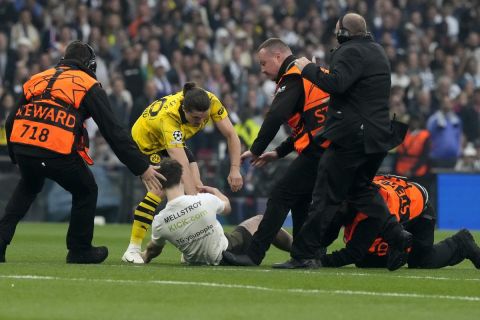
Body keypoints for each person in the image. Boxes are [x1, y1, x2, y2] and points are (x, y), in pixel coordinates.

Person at [0, 40, 163, 264]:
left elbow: (11, 120)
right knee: (86, 189)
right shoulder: (87, 84)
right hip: (55, 149)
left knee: (27, 187)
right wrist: (142, 167)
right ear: (90, 64)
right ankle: (79, 249)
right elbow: (113, 131)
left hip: (24, 146)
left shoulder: (38, 77)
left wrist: (15, 154)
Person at [275, 13, 409, 270]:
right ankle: (396, 234)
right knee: (360, 189)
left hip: (352, 137)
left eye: (338, 30)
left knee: (324, 195)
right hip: (378, 137)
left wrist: (308, 69)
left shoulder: (348, 51)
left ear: (344, 33)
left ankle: (303, 254)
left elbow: (337, 84)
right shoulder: (378, 51)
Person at [221, 38, 330, 267]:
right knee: (301, 200)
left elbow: (275, 116)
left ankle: (254, 254)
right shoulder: (311, 73)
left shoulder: (292, 73)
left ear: (278, 57)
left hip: (319, 149)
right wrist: (278, 152)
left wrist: (256, 149)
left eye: (263, 63)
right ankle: (306, 255)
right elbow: (306, 126)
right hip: (328, 146)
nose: (261, 70)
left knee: (281, 195)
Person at [122, 82, 243, 263]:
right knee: (159, 189)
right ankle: (132, 249)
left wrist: (235, 169)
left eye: (204, 118)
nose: (201, 122)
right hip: (146, 145)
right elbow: (181, 163)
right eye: (196, 118)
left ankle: (191, 250)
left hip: (172, 140)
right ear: (185, 110)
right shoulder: (169, 118)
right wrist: (194, 204)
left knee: (197, 185)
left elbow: (231, 135)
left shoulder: (210, 100)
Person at [140, 158, 291, 265]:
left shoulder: (160, 221)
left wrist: (145, 256)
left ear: (160, 184)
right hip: (228, 252)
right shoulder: (203, 199)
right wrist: (215, 191)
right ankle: (300, 250)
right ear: (182, 179)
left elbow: (154, 248)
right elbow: (227, 208)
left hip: (194, 260)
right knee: (260, 220)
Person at [320, 175, 480, 269]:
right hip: (400, 203)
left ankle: (461, 243)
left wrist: (320, 261)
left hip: (419, 213)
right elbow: (334, 222)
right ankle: (401, 246)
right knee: (367, 260)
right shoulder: (357, 192)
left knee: (420, 261)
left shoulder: (372, 212)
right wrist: (311, 248)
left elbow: (353, 253)